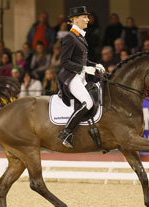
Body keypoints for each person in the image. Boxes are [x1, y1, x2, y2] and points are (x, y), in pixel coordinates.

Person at [58, 6, 105, 148]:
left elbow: (82, 60)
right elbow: (65, 62)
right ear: (76, 20)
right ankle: (66, 132)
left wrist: (95, 65)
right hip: (71, 77)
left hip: (81, 76)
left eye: (87, 17)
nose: (87, 19)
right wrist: (84, 68)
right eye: (84, 17)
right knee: (88, 102)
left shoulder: (80, 37)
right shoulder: (69, 38)